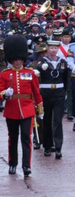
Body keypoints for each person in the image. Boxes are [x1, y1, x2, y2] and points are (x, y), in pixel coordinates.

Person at [1, 35, 43, 176]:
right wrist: (5, 93)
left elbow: (36, 93)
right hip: (11, 110)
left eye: (20, 59)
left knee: (26, 137)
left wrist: (40, 109)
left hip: (27, 110)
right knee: (13, 138)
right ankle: (13, 164)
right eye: (15, 59)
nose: (18, 62)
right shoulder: (5, 75)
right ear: (12, 59)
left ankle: (27, 166)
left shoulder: (30, 73)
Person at [35, 40, 70, 159]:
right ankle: (47, 146)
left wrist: (65, 92)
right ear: (48, 49)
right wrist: (40, 67)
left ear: (58, 49)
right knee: (47, 119)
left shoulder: (63, 62)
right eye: (51, 48)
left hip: (59, 93)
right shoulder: (42, 61)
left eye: (55, 48)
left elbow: (66, 78)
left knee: (57, 121)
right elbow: (37, 69)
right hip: (46, 93)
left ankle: (58, 147)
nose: (53, 50)